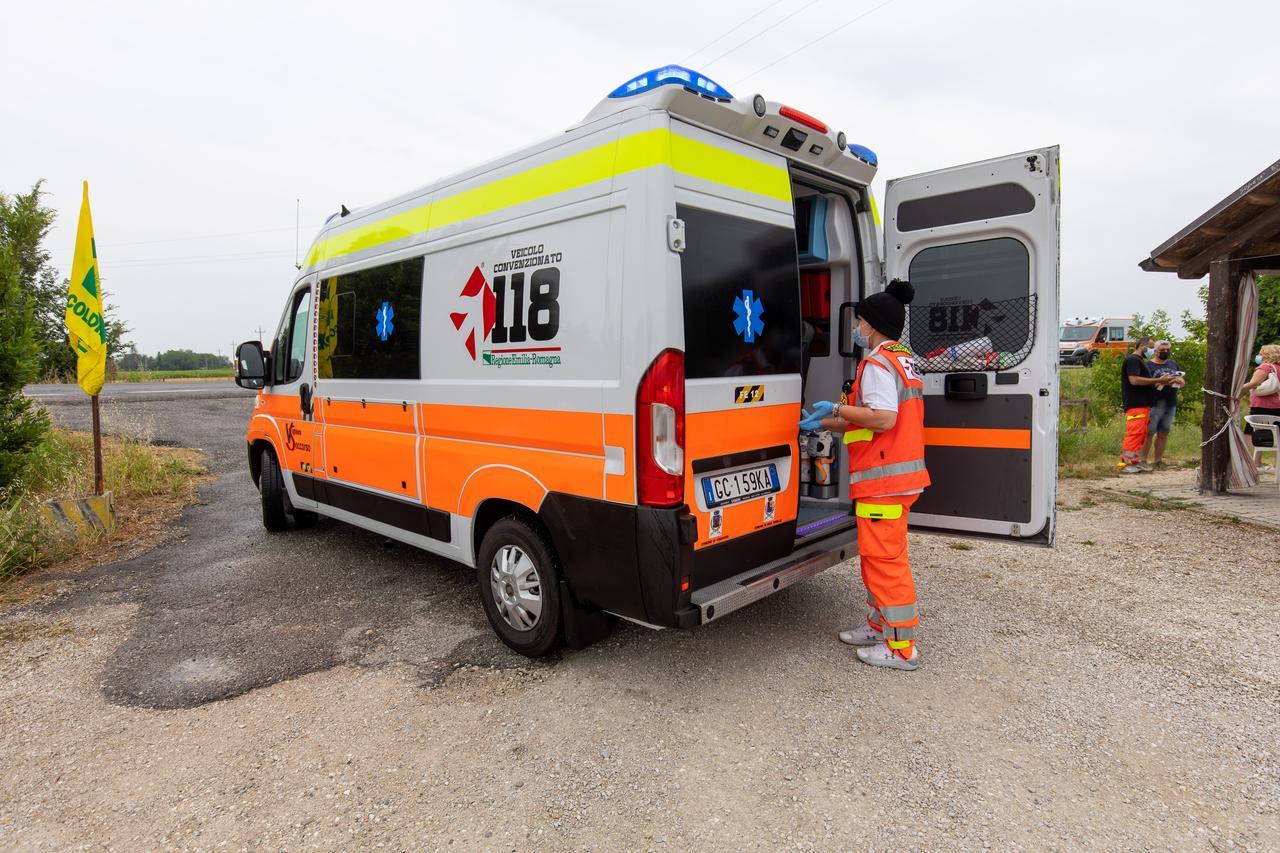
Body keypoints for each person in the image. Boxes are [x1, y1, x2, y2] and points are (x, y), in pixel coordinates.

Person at [799, 280, 929, 671]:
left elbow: (883, 418)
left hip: (885, 479)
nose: (855, 327)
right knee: (877, 557)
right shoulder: (903, 359)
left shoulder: (876, 364)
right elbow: (868, 421)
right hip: (895, 477)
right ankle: (879, 625)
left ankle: (901, 647)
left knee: (885, 561)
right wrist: (824, 422)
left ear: (871, 325)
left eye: (858, 321)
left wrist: (839, 411)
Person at [1119, 336, 1176, 474]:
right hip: (1135, 404)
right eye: (1151, 347)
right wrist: (1157, 379)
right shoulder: (1132, 360)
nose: (1152, 350)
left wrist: (1161, 382)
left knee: (1141, 434)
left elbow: (1146, 382)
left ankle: (1135, 461)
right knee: (1134, 433)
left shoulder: (1140, 361)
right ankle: (1125, 464)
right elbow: (1134, 380)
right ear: (1142, 346)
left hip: (1144, 404)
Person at [1142, 340, 1186, 467]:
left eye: (1167, 350)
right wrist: (1161, 381)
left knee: (1164, 432)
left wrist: (1178, 380)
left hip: (1170, 402)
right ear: (1156, 351)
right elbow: (1144, 383)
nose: (1165, 352)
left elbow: (1182, 381)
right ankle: (1143, 460)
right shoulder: (1148, 365)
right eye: (1163, 350)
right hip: (1153, 402)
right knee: (1149, 432)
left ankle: (1158, 460)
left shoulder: (1173, 364)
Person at [1241, 343, 1280, 449]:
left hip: (1261, 406)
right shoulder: (1278, 368)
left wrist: (1238, 389)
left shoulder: (1265, 367)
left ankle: (1254, 461)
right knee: (1274, 436)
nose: (1259, 356)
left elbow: (1254, 383)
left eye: (1261, 353)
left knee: (1251, 435)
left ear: (1267, 354)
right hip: (1277, 407)